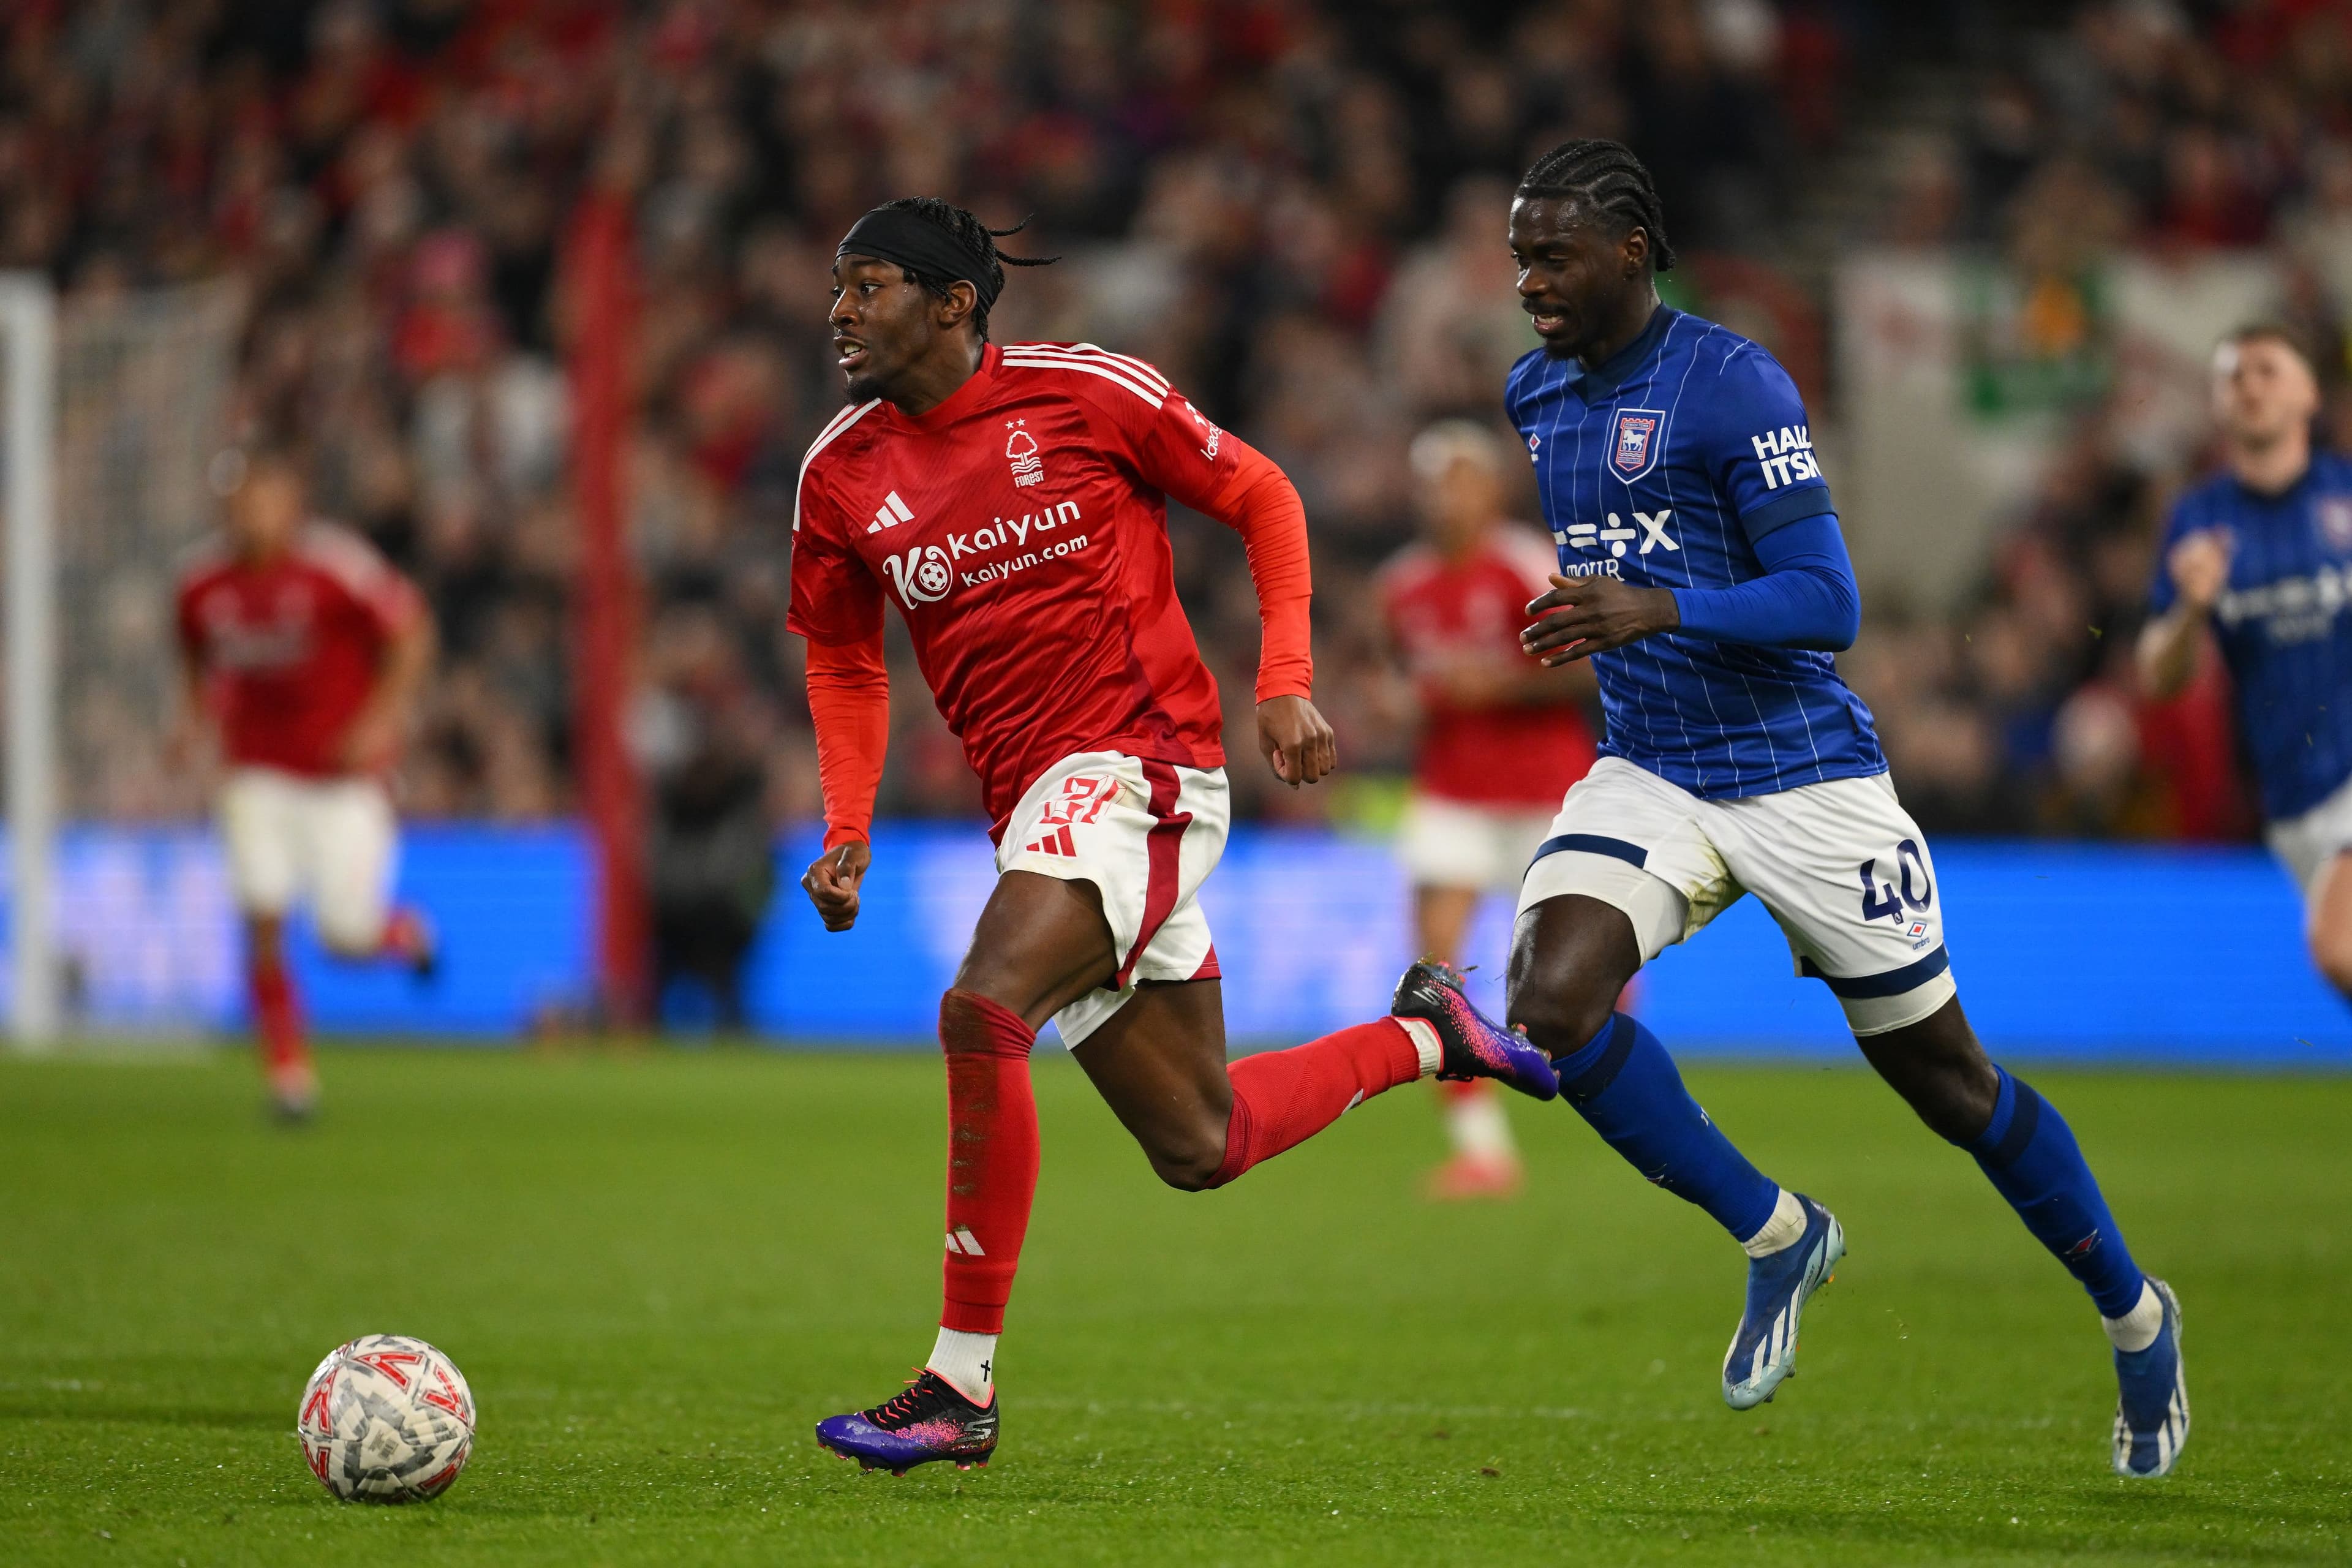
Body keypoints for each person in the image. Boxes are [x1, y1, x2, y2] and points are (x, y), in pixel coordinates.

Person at [788, 198, 1558, 1476]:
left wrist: (1286, 674)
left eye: (865, 287)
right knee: (1201, 1141)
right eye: (835, 289)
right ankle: (1433, 1028)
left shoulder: (1084, 395)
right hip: (1031, 807)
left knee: (983, 1008)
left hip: (1141, 765)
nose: (840, 315)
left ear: (951, 302)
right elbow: (843, 661)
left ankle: (957, 1384)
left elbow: (1261, 493)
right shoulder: (840, 473)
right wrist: (850, 823)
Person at [1474, 140, 2187, 1477]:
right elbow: (1619, 557)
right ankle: (1776, 1230)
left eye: (1550, 253)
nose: (1527, 283)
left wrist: (1662, 603)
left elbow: (1829, 601)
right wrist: (1604, 616)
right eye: (1518, 255)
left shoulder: (1733, 382)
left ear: (1632, 248)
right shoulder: (1536, 392)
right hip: (1653, 767)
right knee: (1551, 1001)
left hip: (1806, 776)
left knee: (1951, 1085)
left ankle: (2136, 1312)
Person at [173, 444, 438, 1120]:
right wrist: (193, 723)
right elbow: (195, 661)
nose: (254, 513)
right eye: (242, 500)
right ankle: (288, 1076)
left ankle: (402, 935)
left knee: (343, 936)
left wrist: (381, 719)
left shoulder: (335, 569)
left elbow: (411, 632)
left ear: (292, 504)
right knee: (262, 914)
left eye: (266, 498)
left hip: (340, 778)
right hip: (255, 774)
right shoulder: (202, 586)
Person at [1379, 419, 1599, 1199]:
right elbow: (1403, 678)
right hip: (1453, 792)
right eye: (1437, 479)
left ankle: (1607, 1092)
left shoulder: (1524, 565)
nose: (1450, 494)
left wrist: (1497, 686)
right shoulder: (1400, 584)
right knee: (1433, 972)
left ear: (1492, 488)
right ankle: (1482, 1150)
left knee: (1580, 970)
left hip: (1546, 790)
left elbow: (1592, 667)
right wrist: (1397, 705)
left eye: (1464, 477)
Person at [2138, 326, 2352, 1000]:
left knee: (2338, 947)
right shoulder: (2200, 519)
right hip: (2293, 805)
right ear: (2216, 402)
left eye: (2268, 370)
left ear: (2309, 392)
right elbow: (2156, 675)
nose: (2251, 386)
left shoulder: (2345, 495)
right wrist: (2191, 613)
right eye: (2234, 376)